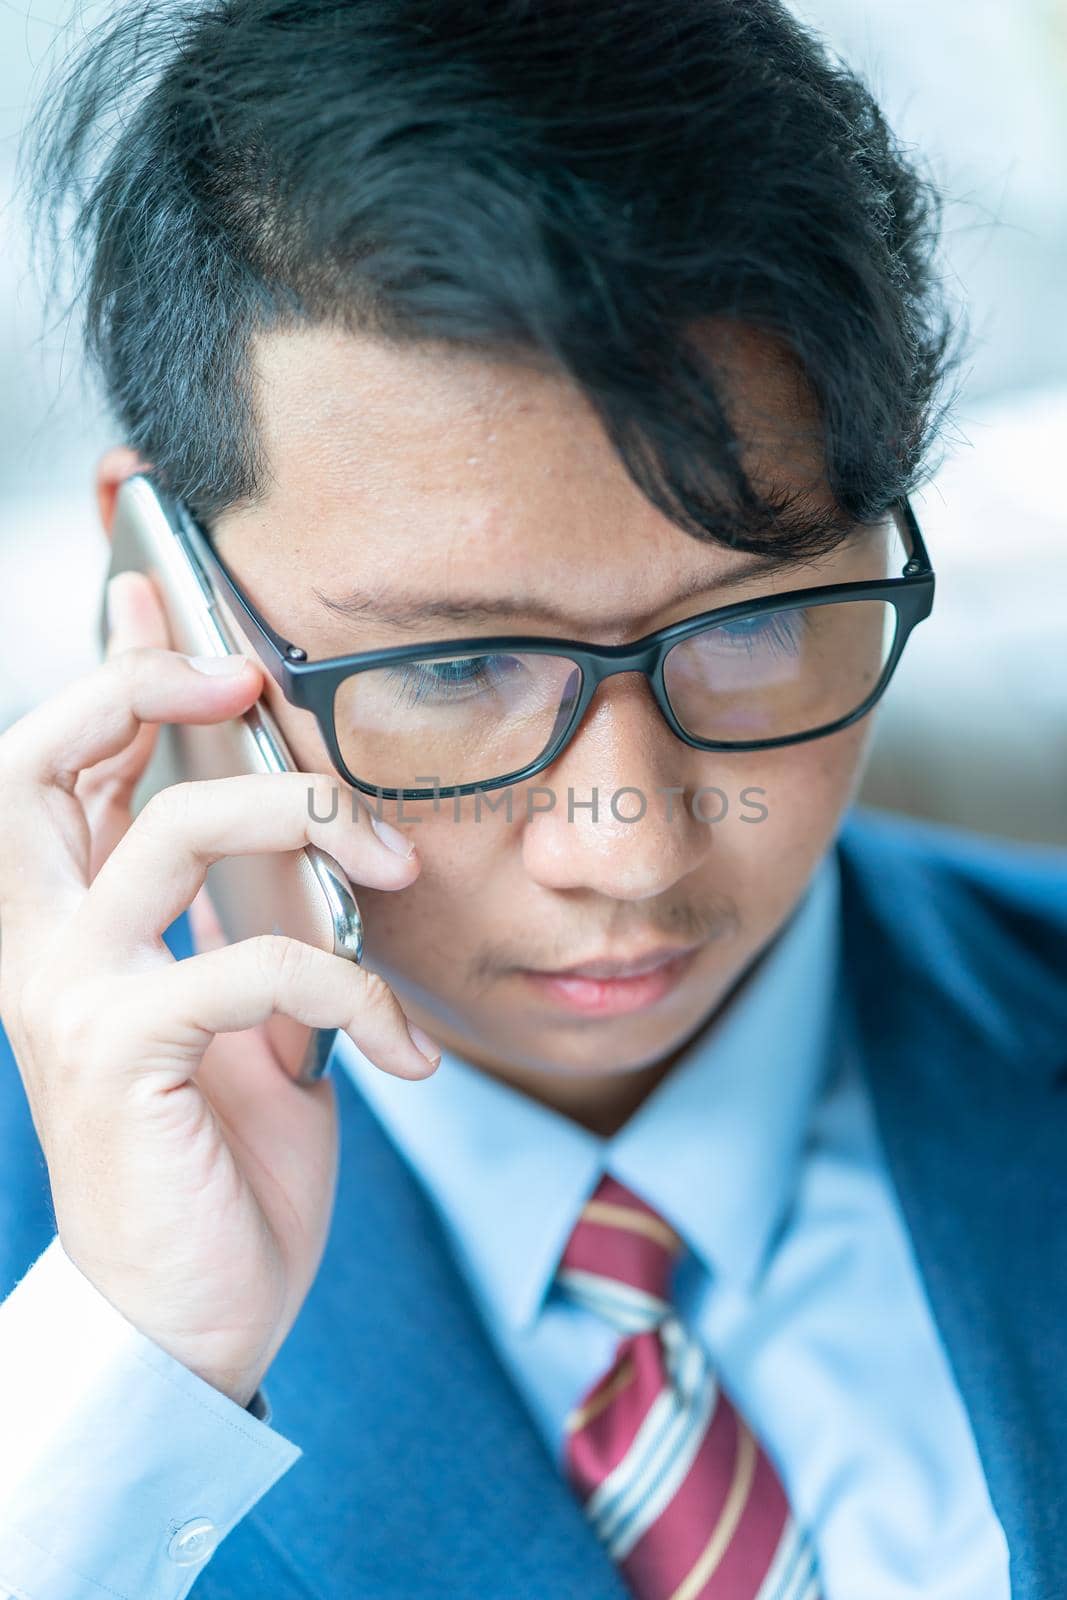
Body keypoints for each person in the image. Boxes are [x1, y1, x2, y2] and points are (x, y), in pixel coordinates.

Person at [1, 2, 1065, 1597]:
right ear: (169, 590)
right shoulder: (64, 1315)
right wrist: (137, 1366)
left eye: (755, 623)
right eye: (447, 670)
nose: (627, 844)